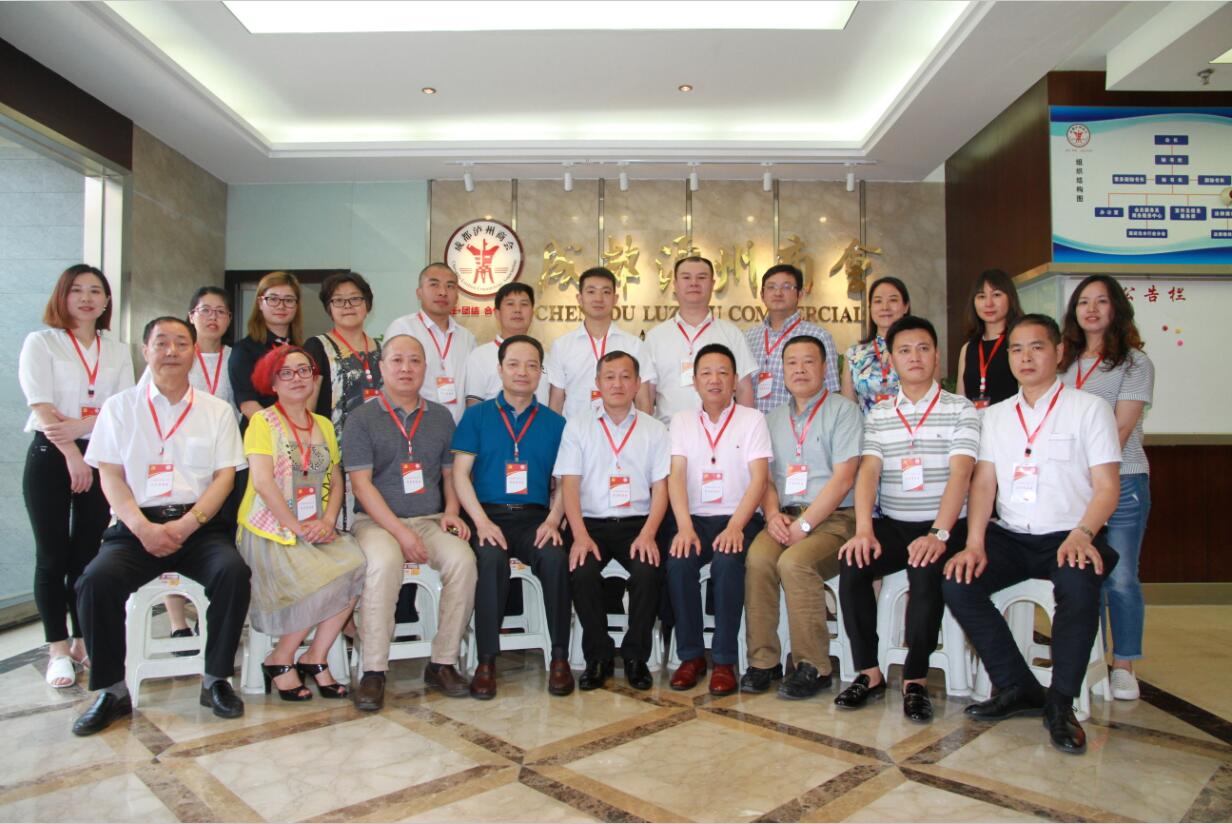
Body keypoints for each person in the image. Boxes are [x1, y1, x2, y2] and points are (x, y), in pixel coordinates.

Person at [942, 314, 1120, 755]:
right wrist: (975, 543)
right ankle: (1017, 685)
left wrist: (1083, 533)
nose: (1026, 357)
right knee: (958, 580)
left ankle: (1060, 704)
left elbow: (1107, 488)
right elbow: (984, 484)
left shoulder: (1089, 408)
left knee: (1077, 587)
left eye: (1036, 347)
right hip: (1013, 536)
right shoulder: (996, 416)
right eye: (1017, 349)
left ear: (1058, 352)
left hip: (1071, 534)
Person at [72, 317, 249, 735]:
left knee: (233, 573)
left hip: (199, 525)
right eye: (161, 342)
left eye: (181, 343)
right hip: (136, 527)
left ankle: (216, 679)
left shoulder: (216, 410)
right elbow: (110, 475)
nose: (171, 351)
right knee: (94, 582)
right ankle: (112, 690)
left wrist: (188, 525)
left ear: (194, 352)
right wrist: (141, 526)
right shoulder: (119, 408)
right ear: (145, 350)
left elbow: (225, 478)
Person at [835, 316, 979, 722]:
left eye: (923, 349)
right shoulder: (881, 413)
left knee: (925, 569)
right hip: (896, 523)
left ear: (937, 356)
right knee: (854, 562)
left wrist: (938, 533)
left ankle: (915, 679)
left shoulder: (960, 409)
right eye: (904, 350)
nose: (914, 357)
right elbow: (868, 472)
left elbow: (962, 474)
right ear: (892, 359)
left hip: (945, 524)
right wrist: (864, 530)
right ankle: (869, 672)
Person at [344, 335, 477, 709]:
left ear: (425, 368)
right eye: (397, 360)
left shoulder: (441, 417)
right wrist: (400, 534)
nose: (406, 368)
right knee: (384, 563)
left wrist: (451, 512)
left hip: (430, 519)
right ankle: (373, 671)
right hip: (376, 523)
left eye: (415, 361)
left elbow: (450, 475)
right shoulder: (361, 418)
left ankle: (443, 662)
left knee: (463, 560)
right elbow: (361, 485)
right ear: (382, 367)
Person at [19, 264, 134, 689]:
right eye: (77, 290)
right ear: (62, 296)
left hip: (99, 453)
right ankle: (57, 649)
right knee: (51, 556)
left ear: (106, 301)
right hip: (51, 454)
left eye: (96, 291)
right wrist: (72, 453)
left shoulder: (117, 349)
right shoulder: (42, 342)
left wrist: (84, 430)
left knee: (87, 555)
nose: (87, 298)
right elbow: (41, 405)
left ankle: (84, 640)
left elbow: (121, 406)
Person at [236, 346, 366, 701]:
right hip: (269, 529)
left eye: (303, 370)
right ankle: (281, 657)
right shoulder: (262, 422)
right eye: (286, 372)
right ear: (272, 382)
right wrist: (295, 527)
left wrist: (327, 520)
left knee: (357, 563)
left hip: (314, 525)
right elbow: (263, 483)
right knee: (325, 575)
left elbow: (336, 480)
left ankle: (314, 656)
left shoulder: (322, 424)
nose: (297, 378)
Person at [451, 335, 573, 699]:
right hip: (487, 514)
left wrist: (553, 521)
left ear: (541, 373)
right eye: (514, 364)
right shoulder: (476, 416)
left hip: (535, 518)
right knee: (490, 561)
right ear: (500, 369)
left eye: (532, 365)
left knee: (555, 557)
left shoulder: (556, 423)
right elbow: (460, 474)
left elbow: (566, 482)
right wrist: (481, 522)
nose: (523, 372)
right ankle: (486, 661)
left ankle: (560, 658)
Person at [742, 335, 861, 699]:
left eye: (809, 361)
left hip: (834, 519)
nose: (800, 369)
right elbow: (766, 478)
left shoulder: (844, 411)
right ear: (782, 371)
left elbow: (844, 479)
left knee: (795, 563)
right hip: (785, 516)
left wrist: (805, 525)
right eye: (791, 363)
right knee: (759, 559)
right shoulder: (772, 419)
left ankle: (813, 666)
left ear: (824, 368)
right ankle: (764, 662)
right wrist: (772, 515)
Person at [1060, 275, 1154, 701]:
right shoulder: (1064, 361)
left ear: (1116, 308)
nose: (1091, 309)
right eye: (1084, 302)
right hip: (1075, 487)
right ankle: (1092, 656)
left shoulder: (1134, 363)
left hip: (1123, 479)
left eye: (1101, 301)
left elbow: (1120, 429)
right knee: (1086, 575)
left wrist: (1083, 470)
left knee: (1121, 578)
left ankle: (1125, 665)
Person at [555, 350, 670, 691]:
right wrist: (579, 536)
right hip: (590, 523)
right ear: (597, 383)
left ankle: (636, 657)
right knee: (582, 571)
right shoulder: (578, 425)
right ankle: (598, 656)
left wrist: (649, 534)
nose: (617, 384)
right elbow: (569, 485)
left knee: (647, 572)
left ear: (637, 384)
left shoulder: (654, 429)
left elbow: (661, 489)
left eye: (625, 377)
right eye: (609, 377)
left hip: (638, 523)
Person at [665, 343, 771, 695]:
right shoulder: (681, 421)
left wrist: (736, 526)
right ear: (694, 381)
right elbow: (676, 476)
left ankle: (724, 661)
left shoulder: (752, 419)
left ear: (735, 380)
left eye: (723, 373)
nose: (715, 380)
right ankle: (691, 656)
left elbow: (759, 479)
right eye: (706, 373)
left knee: (727, 563)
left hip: (740, 517)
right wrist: (683, 527)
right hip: (694, 518)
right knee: (679, 561)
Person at [139, 286, 238, 649]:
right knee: (169, 529)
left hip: (222, 459)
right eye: (204, 310)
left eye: (220, 311)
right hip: (173, 463)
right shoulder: (170, 357)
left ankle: (210, 618)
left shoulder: (235, 357)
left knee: (218, 548)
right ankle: (178, 621)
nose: (213, 317)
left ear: (229, 319)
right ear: (191, 315)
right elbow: (144, 409)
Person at [641, 256, 757, 422]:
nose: (694, 283)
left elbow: (744, 390)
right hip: (670, 432)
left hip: (722, 432)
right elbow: (646, 396)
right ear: (675, 285)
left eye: (701, 277)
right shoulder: (655, 337)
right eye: (686, 277)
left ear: (712, 284)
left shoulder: (732, 334)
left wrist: (746, 430)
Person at [546, 267, 649, 419]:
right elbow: (556, 403)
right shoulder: (562, 346)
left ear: (615, 299)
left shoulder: (633, 345)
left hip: (623, 431)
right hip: (575, 431)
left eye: (606, 292)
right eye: (591, 291)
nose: (598, 299)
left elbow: (643, 401)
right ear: (580, 299)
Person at [384, 263, 476, 424]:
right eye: (434, 284)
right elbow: (391, 382)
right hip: (413, 427)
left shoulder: (467, 338)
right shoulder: (403, 328)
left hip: (457, 430)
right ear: (419, 292)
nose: (443, 292)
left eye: (450, 286)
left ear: (457, 295)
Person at [743, 264, 839, 414]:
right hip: (754, 425)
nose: (778, 293)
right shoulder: (748, 338)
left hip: (799, 425)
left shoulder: (819, 336)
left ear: (800, 294)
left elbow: (831, 391)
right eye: (771, 287)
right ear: (762, 295)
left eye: (786, 287)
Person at [305, 271, 382, 436]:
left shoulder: (382, 349)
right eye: (339, 300)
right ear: (329, 308)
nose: (348, 306)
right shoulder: (317, 347)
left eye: (355, 298)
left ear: (367, 305)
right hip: (332, 445)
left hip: (379, 444)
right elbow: (306, 408)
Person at [230, 271, 303, 428]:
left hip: (299, 432)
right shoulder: (243, 350)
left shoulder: (302, 350)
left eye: (289, 300)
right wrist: (284, 433)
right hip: (262, 434)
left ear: (296, 306)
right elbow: (248, 405)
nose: (281, 306)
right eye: (273, 299)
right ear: (260, 303)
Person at [462, 282, 548, 406]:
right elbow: (474, 407)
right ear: (497, 313)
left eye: (524, 304)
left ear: (532, 313)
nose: (517, 310)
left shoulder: (547, 358)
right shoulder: (479, 356)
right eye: (510, 304)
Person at [842, 277, 911, 414]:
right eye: (878, 301)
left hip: (912, 426)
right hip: (867, 427)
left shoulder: (921, 350)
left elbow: (930, 399)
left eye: (893, 300)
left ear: (906, 306)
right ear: (870, 308)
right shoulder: (854, 355)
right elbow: (848, 411)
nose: (885, 307)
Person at [956, 269, 1022, 409]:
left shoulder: (1019, 344)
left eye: (996, 295)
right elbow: (960, 400)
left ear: (1010, 298)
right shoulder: (967, 348)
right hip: (974, 421)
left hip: (1010, 421)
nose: (988, 303)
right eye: (981, 296)